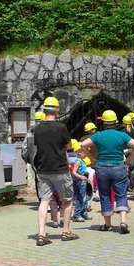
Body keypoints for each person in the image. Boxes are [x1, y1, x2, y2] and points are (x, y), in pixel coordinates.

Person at [81, 110, 134, 234]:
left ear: (103, 123)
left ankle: (108, 224)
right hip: (118, 167)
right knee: (121, 194)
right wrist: (128, 159)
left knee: (105, 195)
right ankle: (123, 221)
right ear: (115, 123)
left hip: (102, 167)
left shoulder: (98, 135)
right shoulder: (121, 135)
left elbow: (83, 145)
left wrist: (92, 159)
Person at [33, 97, 79, 246]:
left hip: (43, 170)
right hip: (60, 169)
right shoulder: (61, 128)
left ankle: (41, 235)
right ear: (57, 110)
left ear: (44, 110)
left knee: (44, 201)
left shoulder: (37, 128)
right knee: (67, 200)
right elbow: (68, 146)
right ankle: (65, 231)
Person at [71, 147, 91, 222]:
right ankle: (76, 215)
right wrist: (81, 177)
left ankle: (84, 213)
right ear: (80, 153)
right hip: (80, 182)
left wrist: (86, 178)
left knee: (85, 198)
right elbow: (74, 172)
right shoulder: (78, 162)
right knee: (81, 198)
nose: (86, 153)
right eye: (84, 152)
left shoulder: (82, 161)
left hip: (84, 182)